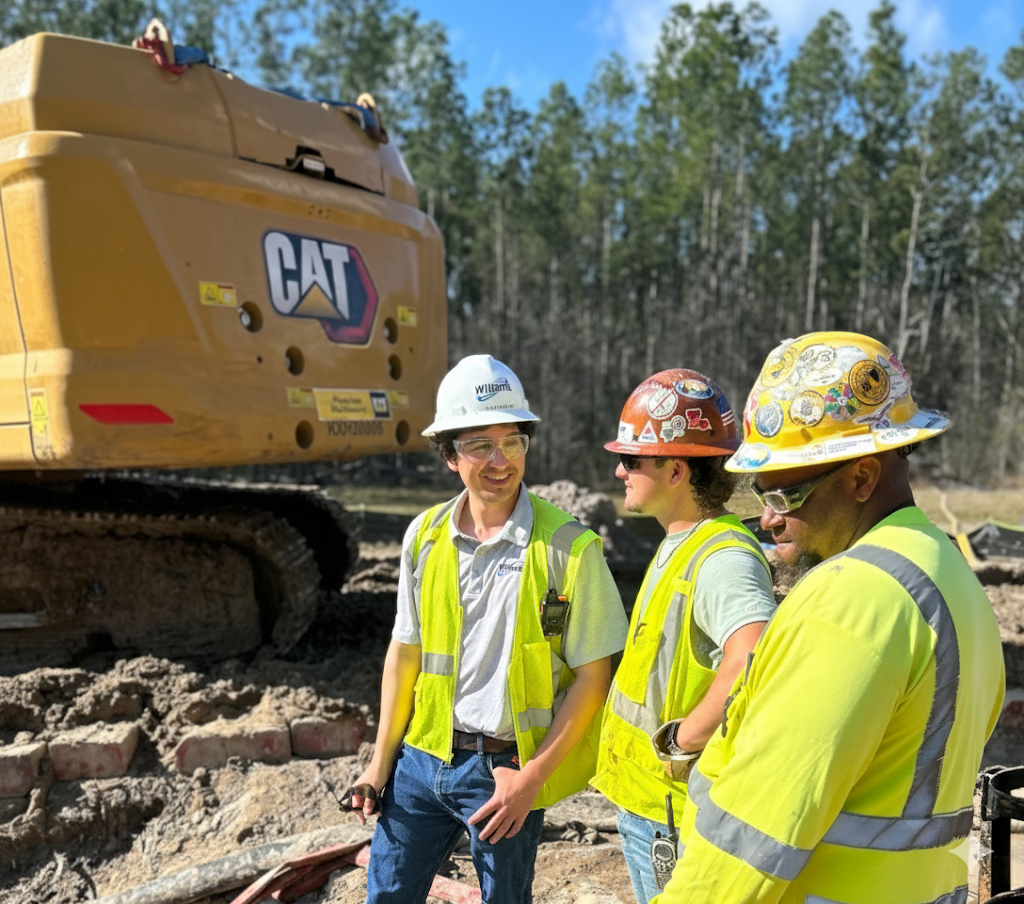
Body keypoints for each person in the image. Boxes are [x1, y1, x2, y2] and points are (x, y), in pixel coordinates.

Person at [654, 332, 1006, 904]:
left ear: (861, 478)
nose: (768, 520)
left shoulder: (853, 600)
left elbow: (754, 835)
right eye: (759, 495)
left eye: (784, 497)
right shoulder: (945, 571)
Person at [347, 354, 628, 904]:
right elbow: (405, 653)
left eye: (513, 442)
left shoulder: (570, 548)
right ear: (450, 455)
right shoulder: (424, 536)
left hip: (505, 772)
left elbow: (593, 680)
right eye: (480, 445)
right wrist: (379, 765)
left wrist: (531, 779)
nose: (501, 461)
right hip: (420, 761)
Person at [591, 368, 777, 903]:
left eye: (632, 460)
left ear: (675, 469)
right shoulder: (685, 542)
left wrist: (682, 740)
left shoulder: (722, 558)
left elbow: (754, 656)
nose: (620, 470)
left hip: (671, 810)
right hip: (651, 802)